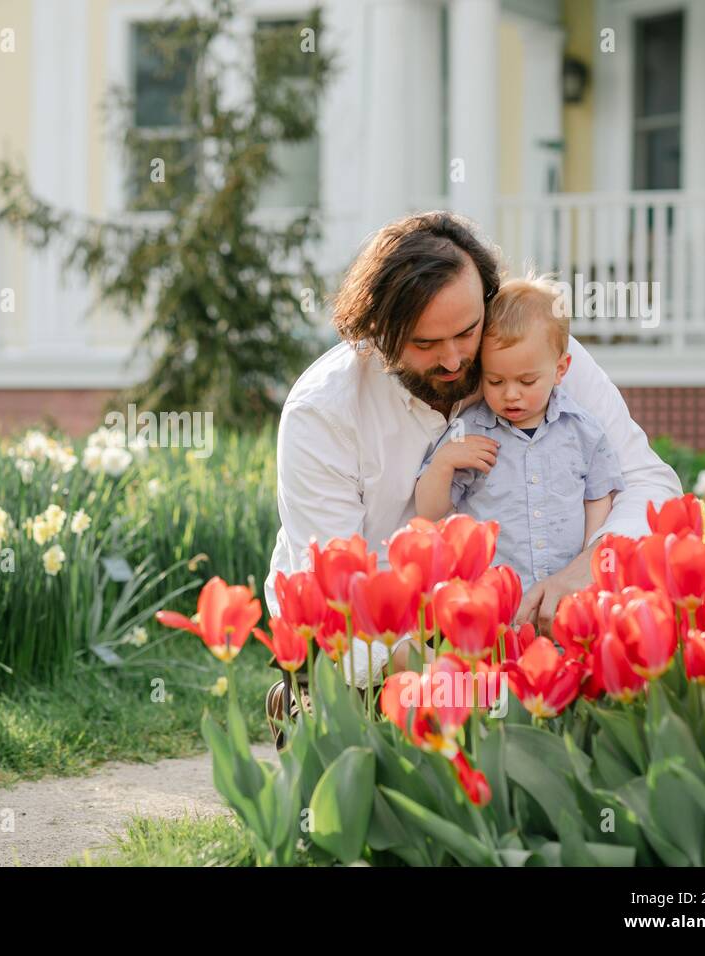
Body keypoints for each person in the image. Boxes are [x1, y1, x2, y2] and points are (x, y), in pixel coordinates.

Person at [263, 212, 681, 742]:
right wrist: (453, 664)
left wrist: (588, 568)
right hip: (388, 642)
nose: (456, 359)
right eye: (424, 344)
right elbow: (334, 591)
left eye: (466, 332)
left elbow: (650, 485)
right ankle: (306, 700)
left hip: (531, 625)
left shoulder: (530, 351)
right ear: (376, 332)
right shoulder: (323, 412)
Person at [414, 275, 627, 591]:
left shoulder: (582, 430)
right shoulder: (469, 431)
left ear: (560, 370)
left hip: (561, 598)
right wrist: (444, 463)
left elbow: (597, 496)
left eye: (527, 382)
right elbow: (429, 512)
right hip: (494, 603)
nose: (511, 394)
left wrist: (587, 559)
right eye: (496, 381)